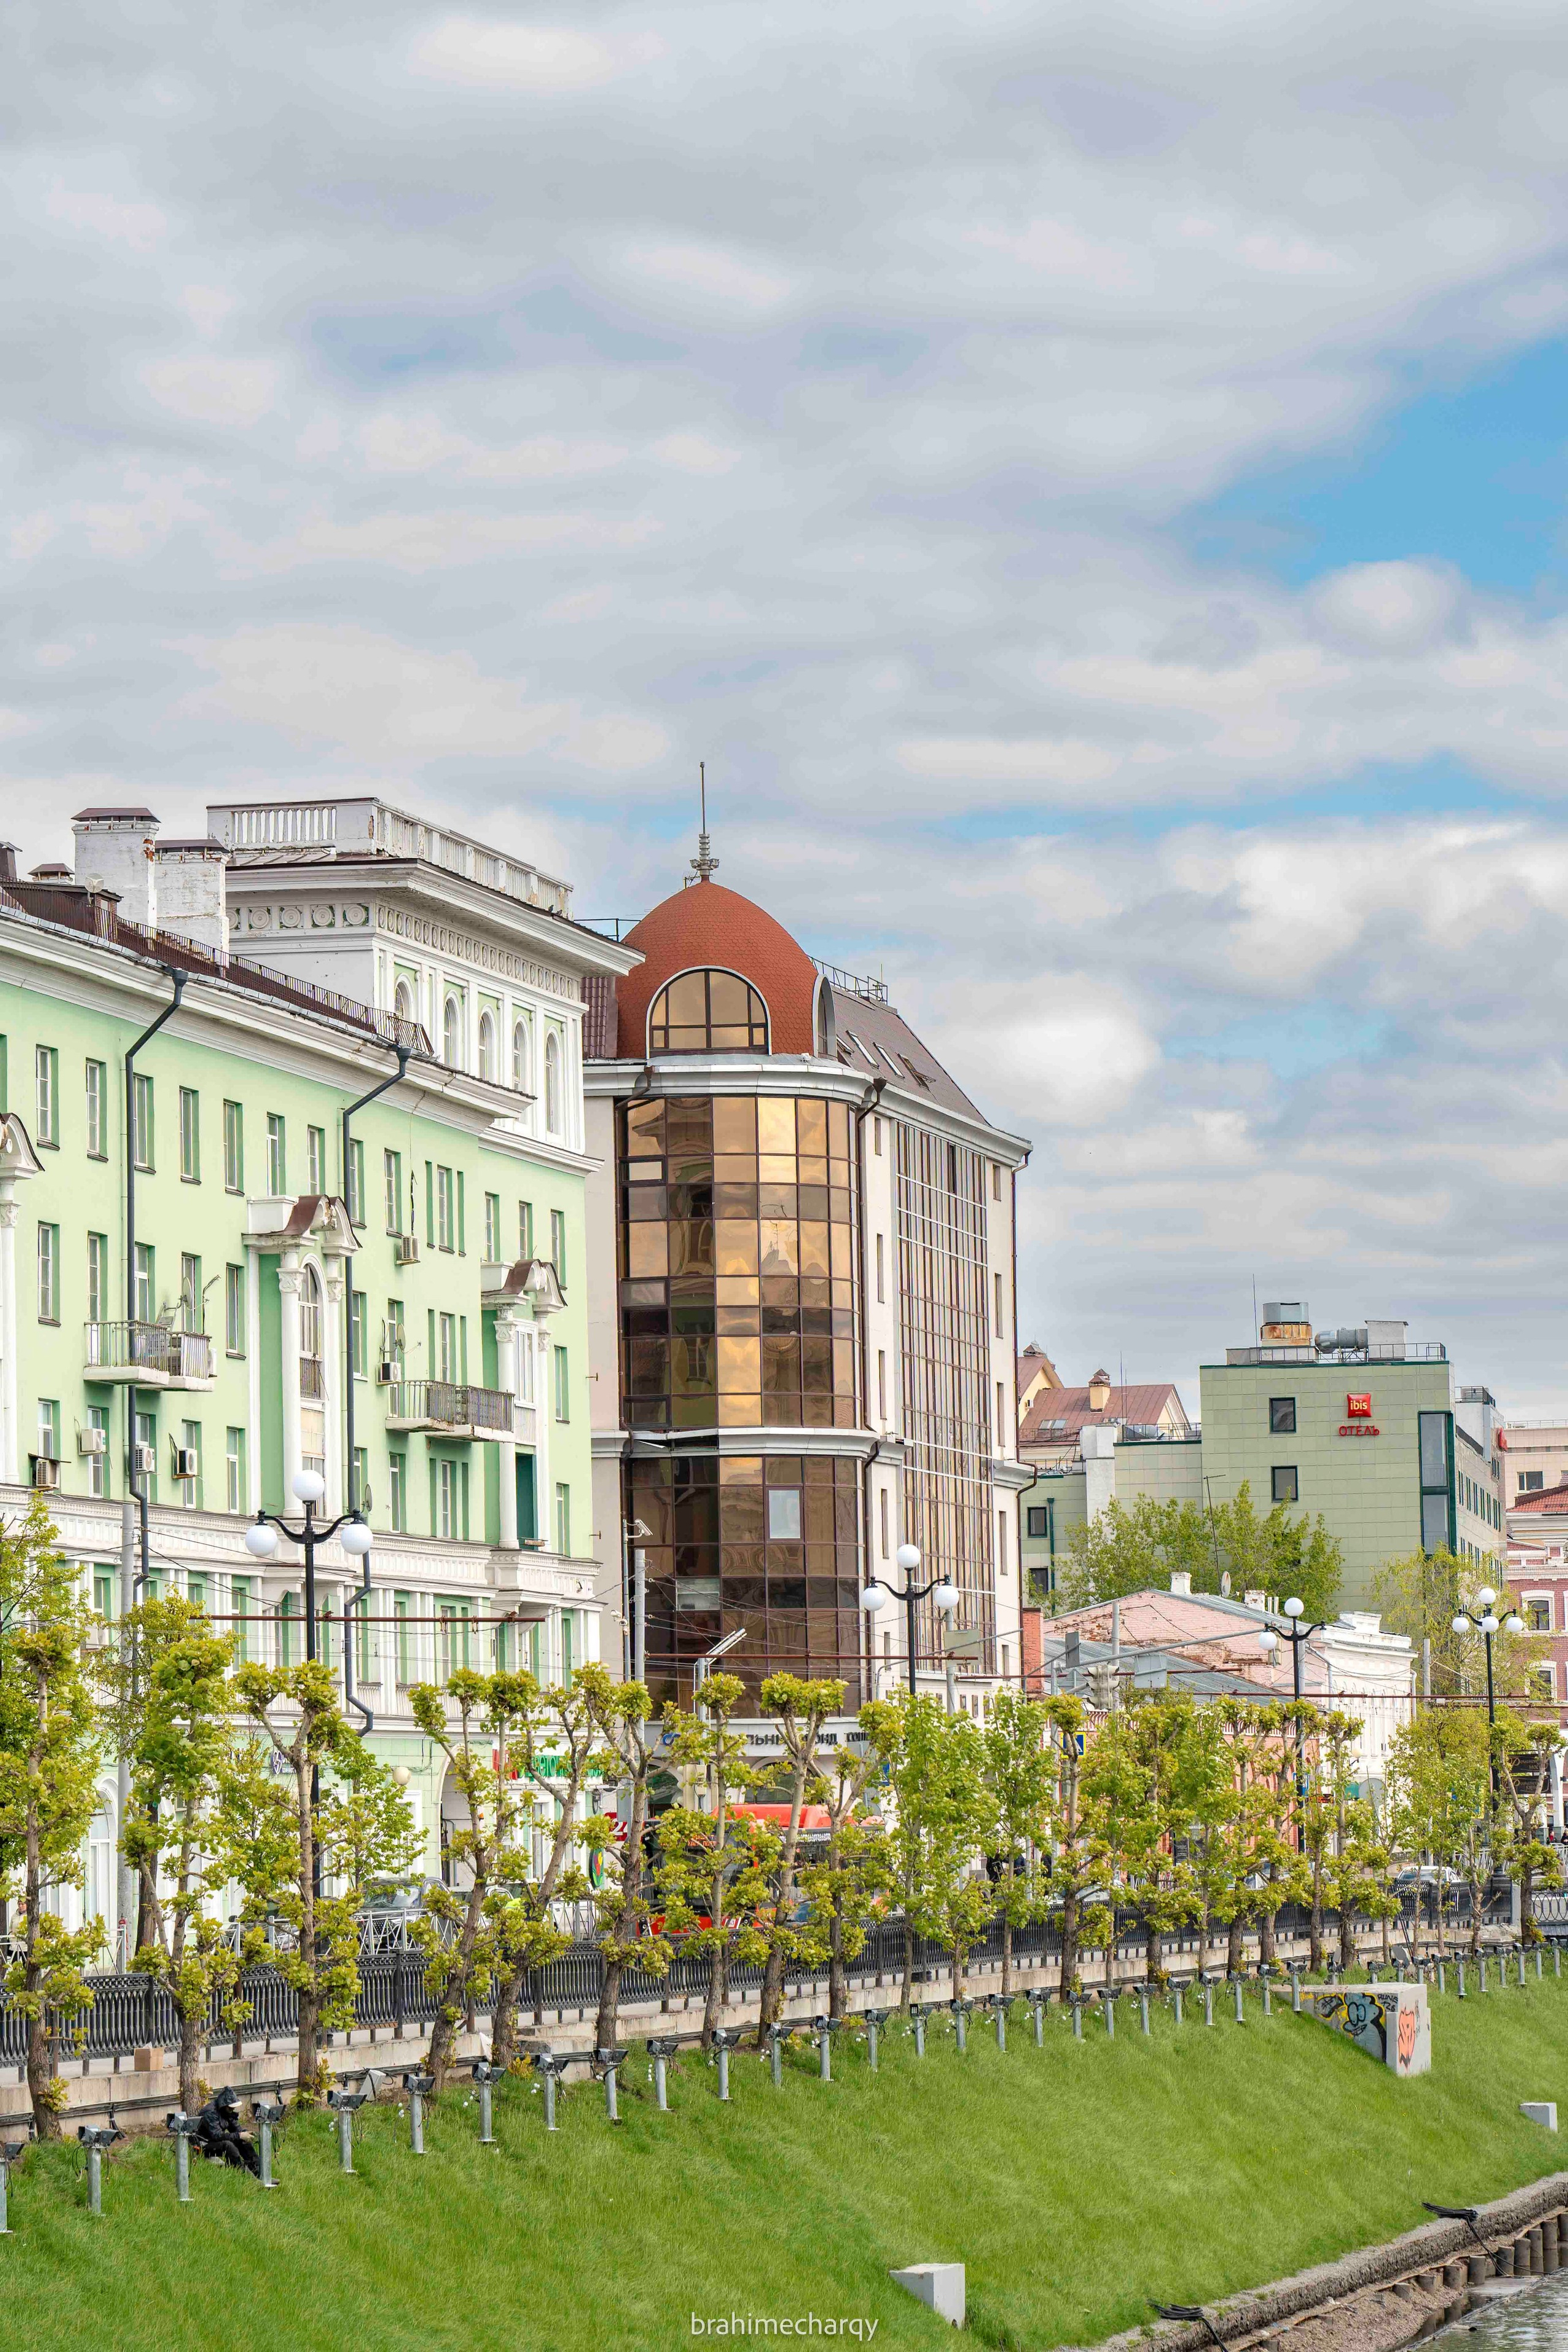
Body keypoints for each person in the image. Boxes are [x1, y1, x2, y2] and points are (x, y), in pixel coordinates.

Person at [193, 2084, 262, 2176]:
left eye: (233, 2108)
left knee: (244, 2141)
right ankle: (246, 2175)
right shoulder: (210, 2112)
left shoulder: (226, 2111)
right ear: (224, 2105)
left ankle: (259, 2172)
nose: (232, 2110)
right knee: (229, 2146)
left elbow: (236, 2129)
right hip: (203, 2145)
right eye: (231, 2108)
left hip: (215, 2141)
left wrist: (246, 2134)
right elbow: (217, 2135)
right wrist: (239, 2135)